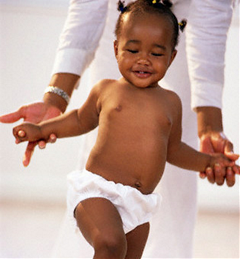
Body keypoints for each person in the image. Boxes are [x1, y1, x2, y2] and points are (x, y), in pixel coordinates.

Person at [0, 0, 238, 257]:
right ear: (116, 49)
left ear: (172, 57)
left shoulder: (171, 103)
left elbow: (174, 150)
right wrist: (43, 127)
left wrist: (209, 162)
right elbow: (79, 119)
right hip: (97, 192)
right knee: (111, 243)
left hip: (138, 204)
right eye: (133, 50)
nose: (144, 60)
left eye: (156, 54)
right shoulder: (106, 91)